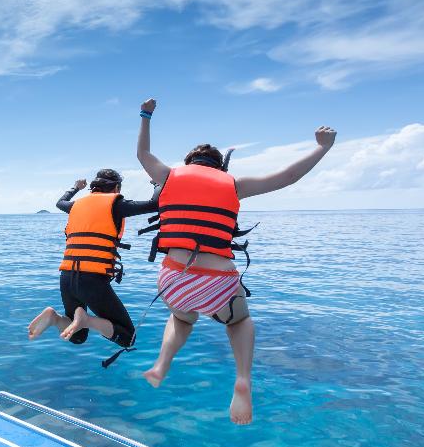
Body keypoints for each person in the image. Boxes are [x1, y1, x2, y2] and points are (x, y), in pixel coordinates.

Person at [135, 97, 336, 424]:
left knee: (183, 319)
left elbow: (142, 154)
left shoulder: (168, 176)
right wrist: (322, 148)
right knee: (238, 321)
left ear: (189, 162)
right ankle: (242, 378)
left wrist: (146, 115)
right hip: (219, 281)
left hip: (174, 277)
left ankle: (161, 364)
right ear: (220, 167)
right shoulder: (234, 184)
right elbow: (287, 177)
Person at [27, 169, 159, 351]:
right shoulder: (116, 204)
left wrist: (75, 188)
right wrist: (157, 183)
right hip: (91, 280)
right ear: (117, 187)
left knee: (78, 336)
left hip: (66, 277)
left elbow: (60, 203)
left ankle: (54, 318)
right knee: (128, 338)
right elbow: (156, 203)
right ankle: (86, 319)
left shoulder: (75, 205)